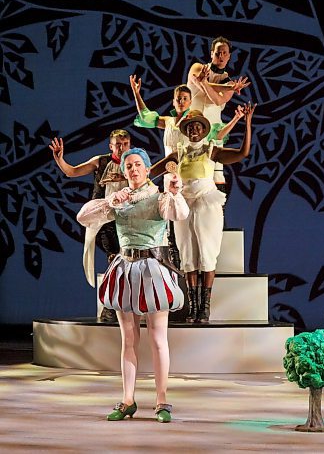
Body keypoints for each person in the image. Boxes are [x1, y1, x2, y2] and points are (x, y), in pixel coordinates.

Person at [76, 148, 189, 423]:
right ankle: (128, 400)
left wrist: (174, 191)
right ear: (123, 172)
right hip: (125, 269)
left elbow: (179, 213)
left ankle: (162, 400)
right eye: (128, 167)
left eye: (138, 165)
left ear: (148, 169)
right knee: (128, 340)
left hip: (153, 269)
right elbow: (83, 217)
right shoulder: (120, 199)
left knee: (158, 339)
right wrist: (110, 202)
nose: (133, 170)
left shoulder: (159, 197)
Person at [151, 103, 256, 323]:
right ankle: (194, 305)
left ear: (204, 129)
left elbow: (242, 153)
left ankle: (205, 307)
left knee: (207, 253)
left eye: (197, 126)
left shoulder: (211, 149)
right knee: (188, 254)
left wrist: (247, 123)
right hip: (184, 205)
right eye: (189, 127)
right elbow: (152, 171)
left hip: (207, 204)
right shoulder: (178, 153)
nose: (193, 130)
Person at [49, 129, 131, 322]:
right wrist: (60, 159)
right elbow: (72, 172)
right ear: (110, 146)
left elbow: (145, 184)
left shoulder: (135, 162)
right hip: (105, 218)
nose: (121, 148)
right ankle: (110, 306)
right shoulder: (100, 161)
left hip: (130, 219)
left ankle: (129, 305)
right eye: (117, 145)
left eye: (125, 144)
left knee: (130, 262)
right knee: (114, 260)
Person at [187, 36, 250, 192]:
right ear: (211, 53)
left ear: (229, 56)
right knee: (187, 171)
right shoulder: (197, 68)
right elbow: (201, 84)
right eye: (217, 52)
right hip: (190, 128)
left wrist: (205, 83)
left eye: (224, 53)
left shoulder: (228, 82)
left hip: (213, 133)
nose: (220, 56)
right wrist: (227, 88)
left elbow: (216, 100)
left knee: (215, 177)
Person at [130, 74, 191, 156]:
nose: (181, 102)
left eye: (185, 98)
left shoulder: (193, 121)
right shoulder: (168, 121)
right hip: (169, 166)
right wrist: (136, 93)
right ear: (173, 102)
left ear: (190, 102)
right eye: (178, 99)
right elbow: (146, 116)